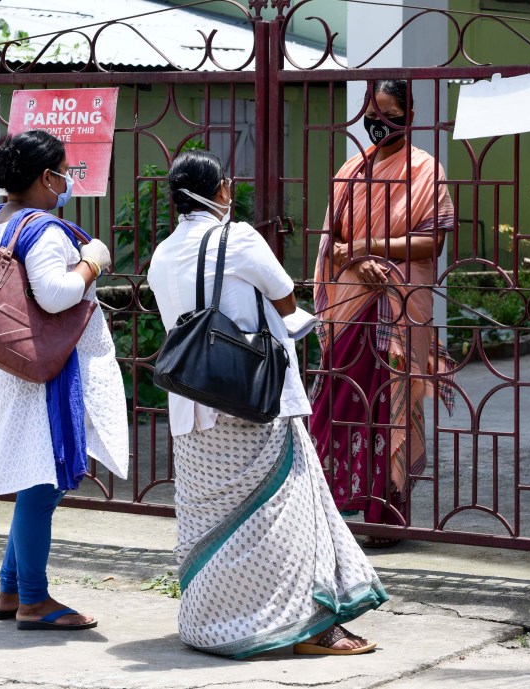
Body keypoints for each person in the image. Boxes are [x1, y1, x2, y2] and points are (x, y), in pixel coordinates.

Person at [147, 150, 387, 658]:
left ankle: (212, 624)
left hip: (193, 411)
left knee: (211, 525)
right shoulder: (238, 238)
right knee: (289, 514)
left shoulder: (162, 255)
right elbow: (284, 300)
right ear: (220, 192)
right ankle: (314, 628)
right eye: (228, 186)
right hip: (252, 400)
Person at [0, 130, 129, 630]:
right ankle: (35, 601)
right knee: (42, 481)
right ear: (48, 177)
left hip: (12, 364)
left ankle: (9, 590)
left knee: (30, 472)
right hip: (45, 370)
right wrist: (92, 262)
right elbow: (56, 295)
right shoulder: (43, 230)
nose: (68, 180)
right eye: (64, 171)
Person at [310, 80, 456, 549]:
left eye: (389, 113)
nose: (378, 122)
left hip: (399, 306)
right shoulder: (351, 170)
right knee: (340, 403)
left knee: (389, 406)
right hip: (352, 303)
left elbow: (432, 240)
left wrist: (372, 248)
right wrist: (356, 260)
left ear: (408, 116)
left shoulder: (424, 170)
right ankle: (327, 507)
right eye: (371, 111)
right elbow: (331, 242)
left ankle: (383, 516)